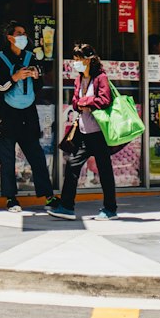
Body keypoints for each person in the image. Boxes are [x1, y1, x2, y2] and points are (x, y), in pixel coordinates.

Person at [48, 42, 117, 221]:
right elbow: (74, 102)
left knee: (104, 171)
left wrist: (85, 102)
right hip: (84, 132)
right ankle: (67, 207)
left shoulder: (100, 77)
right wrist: (80, 103)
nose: (75, 62)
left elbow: (105, 100)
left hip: (99, 133)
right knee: (72, 165)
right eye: (74, 59)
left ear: (88, 60)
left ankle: (110, 209)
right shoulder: (79, 79)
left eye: (78, 59)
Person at [0, 20, 54, 212]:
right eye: (19, 33)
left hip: (28, 113)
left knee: (37, 156)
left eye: (24, 33)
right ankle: (11, 198)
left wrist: (35, 76)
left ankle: (49, 196)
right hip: (7, 114)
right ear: (10, 37)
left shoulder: (30, 56)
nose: (23, 37)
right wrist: (15, 77)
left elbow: (40, 84)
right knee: (8, 159)